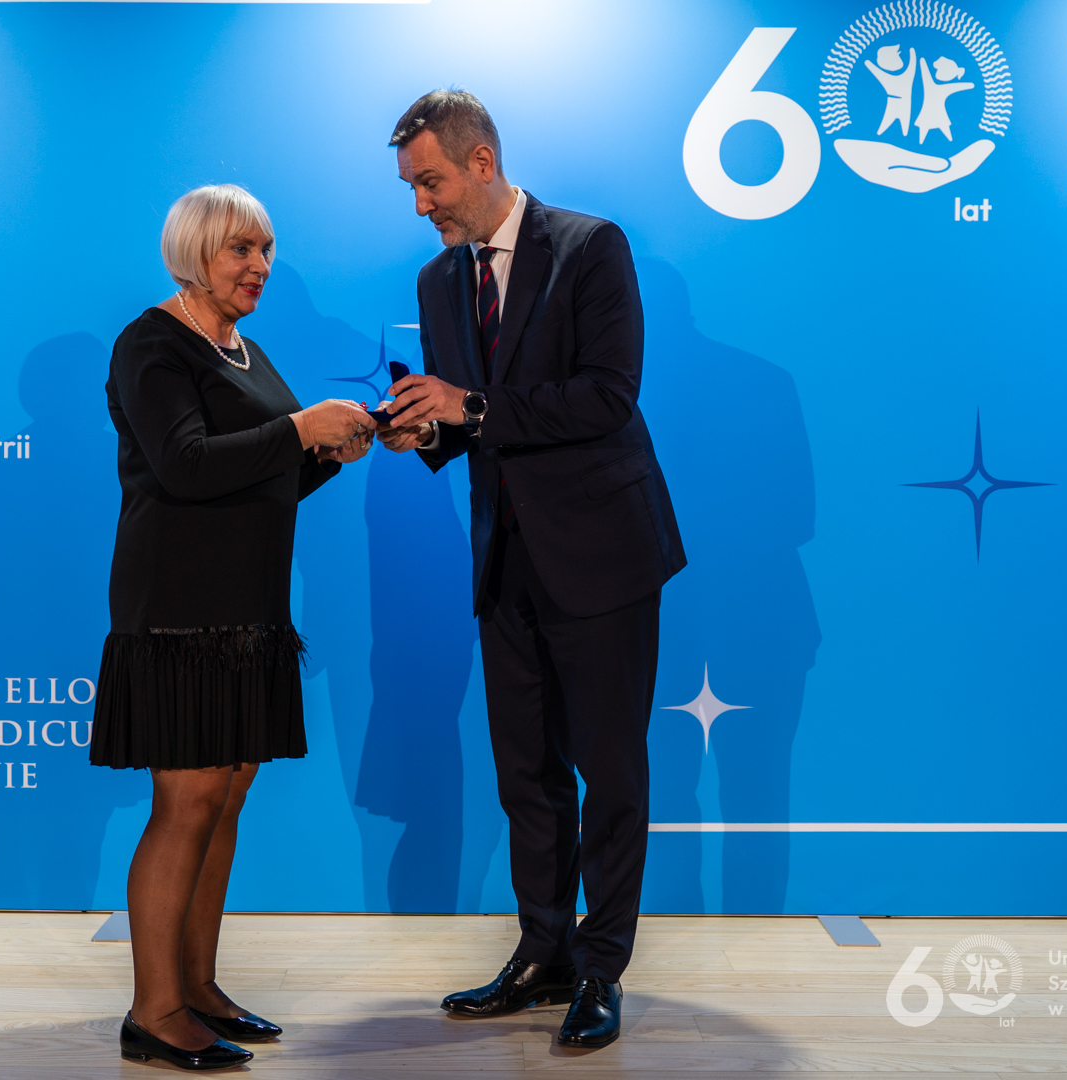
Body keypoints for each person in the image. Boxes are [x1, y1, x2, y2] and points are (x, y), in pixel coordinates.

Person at [378, 90, 686, 1050]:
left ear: (482, 162)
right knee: (526, 772)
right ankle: (543, 952)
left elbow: (606, 396)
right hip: (505, 558)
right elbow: (469, 425)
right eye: (410, 186)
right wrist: (423, 431)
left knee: (611, 771)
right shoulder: (438, 282)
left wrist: (466, 408)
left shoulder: (592, 247)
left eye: (430, 181)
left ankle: (601, 968)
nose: (420, 204)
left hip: (603, 555)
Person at [89, 184, 375, 1071]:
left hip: (250, 607)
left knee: (226, 795)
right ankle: (153, 1012)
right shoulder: (151, 343)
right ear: (195, 254)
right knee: (186, 803)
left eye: (266, 251)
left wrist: (331, 450)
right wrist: (299, 428)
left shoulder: (246, 350)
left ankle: (198, 987)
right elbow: (183, 466)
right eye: (240, 251)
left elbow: (264, 476)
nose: (259, 267)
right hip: (178, 607)